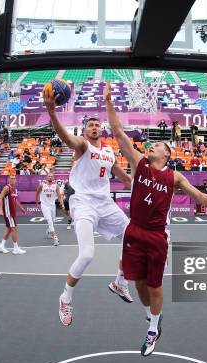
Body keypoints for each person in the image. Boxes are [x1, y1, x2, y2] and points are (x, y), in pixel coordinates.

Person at [105, 83, 207, 356]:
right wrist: (110, 103)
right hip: (134, 231)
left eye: (157, 145)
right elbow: (118, 132)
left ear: (166, 155)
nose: (151, 146)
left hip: (158, 236)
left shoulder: (174, 177)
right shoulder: (139, 164)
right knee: (138, 282)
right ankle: (151, 317)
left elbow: (199, 196)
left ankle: (152, 331)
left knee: (154, 284)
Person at [44, 89, 133, 327]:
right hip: (83, 203)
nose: (94, 127)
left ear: (102, 129)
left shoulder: (108, 152)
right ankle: (65, 298)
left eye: (97, 124)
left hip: (105, 204)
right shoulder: (82, 146)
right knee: (87, 255)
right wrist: (53, 112)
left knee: (134, 238)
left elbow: (126, 179)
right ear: (84, 130)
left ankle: (120, 283)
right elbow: (66, 137)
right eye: (90, 125)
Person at [0, 174, 27, 255]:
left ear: (16, 180)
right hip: (8, 212)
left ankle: (1, 246)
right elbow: (0, 198)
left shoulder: (14, 189)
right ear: (8, 180)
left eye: (14, 179)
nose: (12, 180)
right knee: (14, 228)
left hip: (12, 212)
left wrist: (21, 208)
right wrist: (0, 210)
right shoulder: (7, 188)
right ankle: (16, 248)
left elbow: (15, 200)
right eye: (11, 178)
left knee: (9, 229)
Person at [36, 173, 64, 246]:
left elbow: (59, 196)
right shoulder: (42, 185)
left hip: (52, 205)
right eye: (49, 176)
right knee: (49, 220)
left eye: (51, 176)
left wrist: (62, 204)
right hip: (44, 205)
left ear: (53, 178)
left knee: (53, 220)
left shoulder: (56, 186)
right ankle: (56, 238)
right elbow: (37, 193)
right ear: (46, 177)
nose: (50, 177)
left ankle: (49, 231)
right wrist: (37, 202)